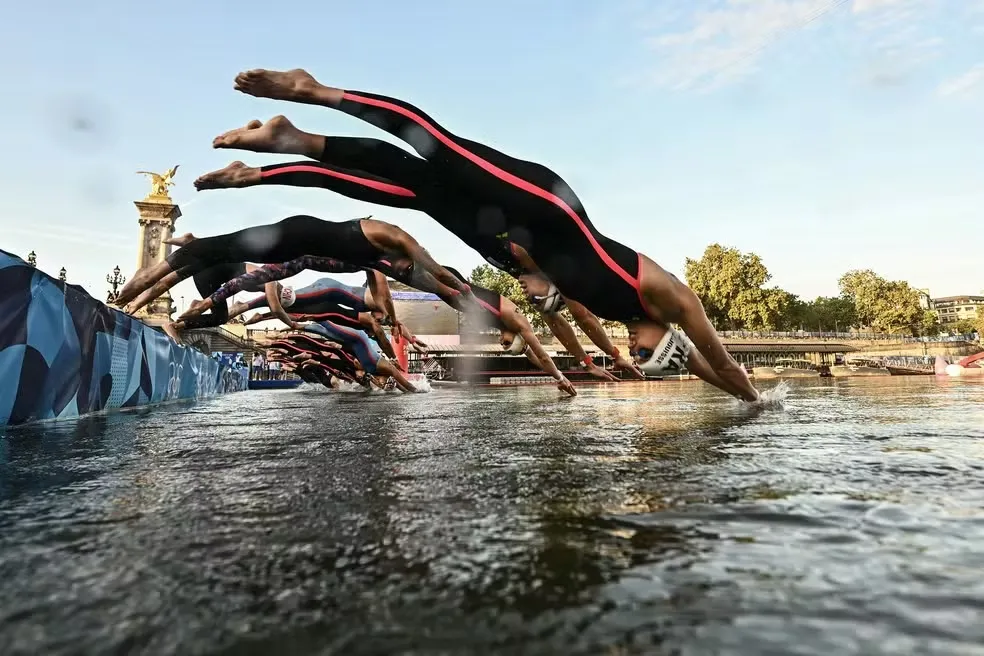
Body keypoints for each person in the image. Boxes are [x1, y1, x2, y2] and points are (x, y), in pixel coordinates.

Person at [199, 68, 760, 402]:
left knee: (404, 186)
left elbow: (686, 362)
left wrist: (559, 320)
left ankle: (293, 144)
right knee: (438, 148)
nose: (632, 353)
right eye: (643, 351)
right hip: (545, 206)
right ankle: (313, 90)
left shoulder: (622, 316)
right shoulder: (667, 297)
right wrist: (759, 400)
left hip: (507, 241)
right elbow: (720, 359)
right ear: (663, 334)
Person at [196, 123, 644, 379]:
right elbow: (572, 324)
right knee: (388, 181)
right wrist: (586, 365)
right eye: (533, 294)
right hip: (442, 243)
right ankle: (275, 155)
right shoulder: (523, 302)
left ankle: (267, 166)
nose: (524, 298)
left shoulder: (517, 299)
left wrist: (587, 364)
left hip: (425, 251)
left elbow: (561, 332)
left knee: (378, 187)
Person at [185, 254, 579, 395]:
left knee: (332, 308)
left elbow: (540, 350)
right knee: (363, 307)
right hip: (354, 301)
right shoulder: (514, 315)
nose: (503, 336)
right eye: (507, 339)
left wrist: (563, 375)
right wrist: (565, 374)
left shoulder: (357, 322)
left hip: (340, 308)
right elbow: (544, 346)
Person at [112, 214, 475, 343]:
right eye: (403, 269)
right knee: (165, 275)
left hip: (285, 251)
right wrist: (461, 292)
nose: (399, 274)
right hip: (290, 240)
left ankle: (164, 309)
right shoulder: (392, 241)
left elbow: (422, 284)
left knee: (200, 268)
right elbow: (436, 274)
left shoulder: (374, 266)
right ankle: (120, 303)